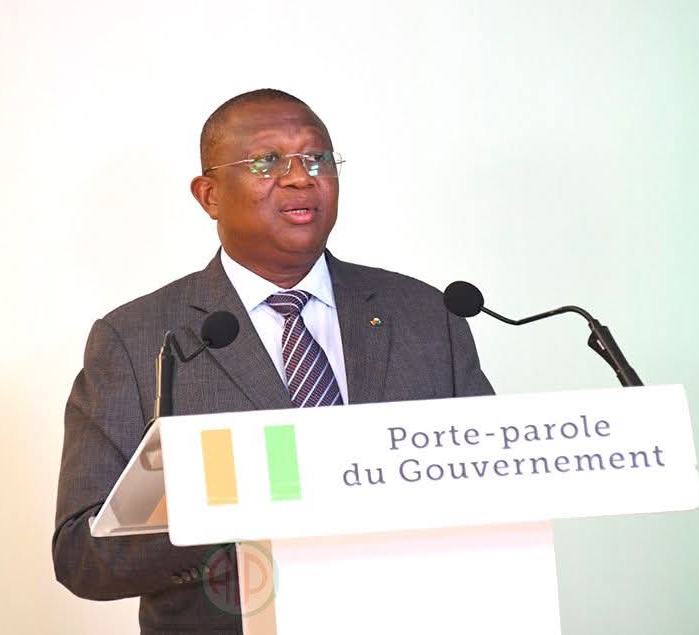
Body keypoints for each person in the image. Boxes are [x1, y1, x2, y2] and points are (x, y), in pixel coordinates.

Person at [53, 88, 494, 634]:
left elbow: (492, 487)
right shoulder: (138, 339)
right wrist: (223, 503)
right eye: (267, 161)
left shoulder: (427, 314)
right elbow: (83, 556)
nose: (300, 177)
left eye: (317, 158)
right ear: (210, 195)